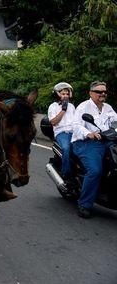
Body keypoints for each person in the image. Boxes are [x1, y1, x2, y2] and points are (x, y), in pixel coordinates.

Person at [71, 81, 117, 218]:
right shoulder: (83, 107)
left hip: (107, 141)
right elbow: (76, 125)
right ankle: (84, 203)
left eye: (104, 92)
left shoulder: (108, 108)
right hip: (87, 142)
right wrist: (88, 133)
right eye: (99, 92)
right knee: (95, 171)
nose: (102, 94)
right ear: (91, 93)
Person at [47, 82, 75, 188]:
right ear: (58, 94)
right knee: (66, 148)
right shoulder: (53, 107)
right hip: (62, 133)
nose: (65, 96)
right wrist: (63, 110)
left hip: (74, 133)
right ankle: (66, 175)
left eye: (67, 94)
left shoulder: (72, 106)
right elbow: (53, 122)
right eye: (63, 94)